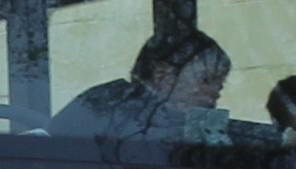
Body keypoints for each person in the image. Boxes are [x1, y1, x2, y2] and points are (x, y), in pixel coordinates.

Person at [52, 27, 232, 141]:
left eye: (221, 83)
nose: (216, 91)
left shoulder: (195, 128)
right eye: (207, 80)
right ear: (163, 75)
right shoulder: (105, 107)